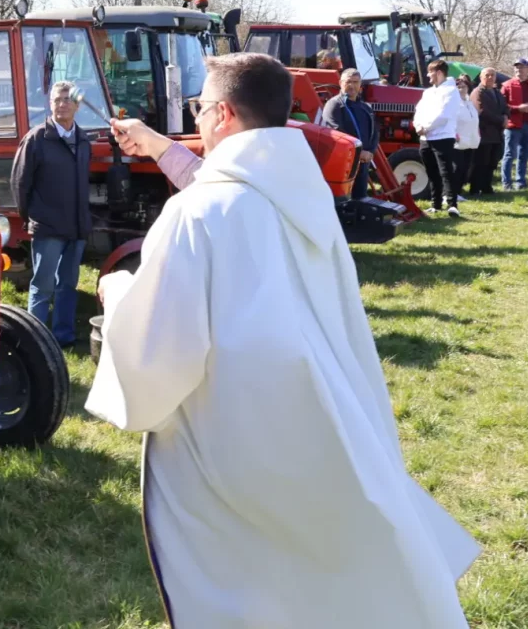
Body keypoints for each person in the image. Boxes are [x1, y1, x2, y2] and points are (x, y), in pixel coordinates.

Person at [89, 52, 479, 629]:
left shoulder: (195, 214)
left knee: (249, 591)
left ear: (222, 113)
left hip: (233, 445)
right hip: (321, 422)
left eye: (199, 108)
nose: (196, 120)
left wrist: (119, 293)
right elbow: (226, 186)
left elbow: (156, 355)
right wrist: (154, 143)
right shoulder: (300, 193)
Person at [11, 80, 91, 348]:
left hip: (76, 226)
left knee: (67, 284)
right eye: (57, 99)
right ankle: (35, 340)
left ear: (77, 105)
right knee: (42, 285)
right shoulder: (36, 139)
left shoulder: (83, 140)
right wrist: (32, 218)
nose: (62, 104)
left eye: (67, 99)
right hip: (47, 226)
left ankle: (63, 337)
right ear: (50, 104)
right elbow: (20, 183)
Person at [412, 60, 464, 217]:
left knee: (445, 171)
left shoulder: (451, 92)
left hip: (442, 136)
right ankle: (435, 204)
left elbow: (444, 115)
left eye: (430, 72)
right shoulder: (427, 93)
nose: (428, 75)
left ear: (439, 72)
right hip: (426, 138)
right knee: (431, 171)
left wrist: (426, 127)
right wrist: (418, 126)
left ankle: (452, 204)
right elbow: (418, 110)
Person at [320, 68, 378, 199]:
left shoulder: (366, 108)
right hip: (343, 161)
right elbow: (337, 131)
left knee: (360, 197)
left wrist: (370, 152)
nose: (352, 85)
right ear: (341, 83)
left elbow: (374, 132)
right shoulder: (334, 105)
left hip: (363, 161)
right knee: (344, 200)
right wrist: (359, 152)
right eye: (348, 82)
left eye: (355, 82)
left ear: (360, 84)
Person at [501, 57, 528, 191]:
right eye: (517, 67)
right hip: (513, 125)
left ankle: (521, 181)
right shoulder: (507, 85)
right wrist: (518, 108)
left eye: (522, 67)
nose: (519, 69)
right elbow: (501, 105)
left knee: (524, 155)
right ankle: (506, 183)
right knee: (509, 154)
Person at [469, 68, 508, 196]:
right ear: (481, 77)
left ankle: (487, 187)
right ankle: (475, 189)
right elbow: (482, 112)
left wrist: (506, 117)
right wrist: (500, 120)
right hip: (484, 133)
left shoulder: (497, 92)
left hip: (496, 134)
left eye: (493, 75)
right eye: (487, 75)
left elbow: (505, 107)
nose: (490, 78)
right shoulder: (477, 92)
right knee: (481, 162)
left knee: (492, 162)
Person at [453, 75, 481, 197]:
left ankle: (459, 190)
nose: (462, 89)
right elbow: (450, 120)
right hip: (458, 140)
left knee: (465, 167)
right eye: (459, 87)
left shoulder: (469, 102)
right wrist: (454, 134)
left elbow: (474, 119)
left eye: (464, 87)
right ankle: (453, 192)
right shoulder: (453, 103)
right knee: (457, 168)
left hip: (470, 140)